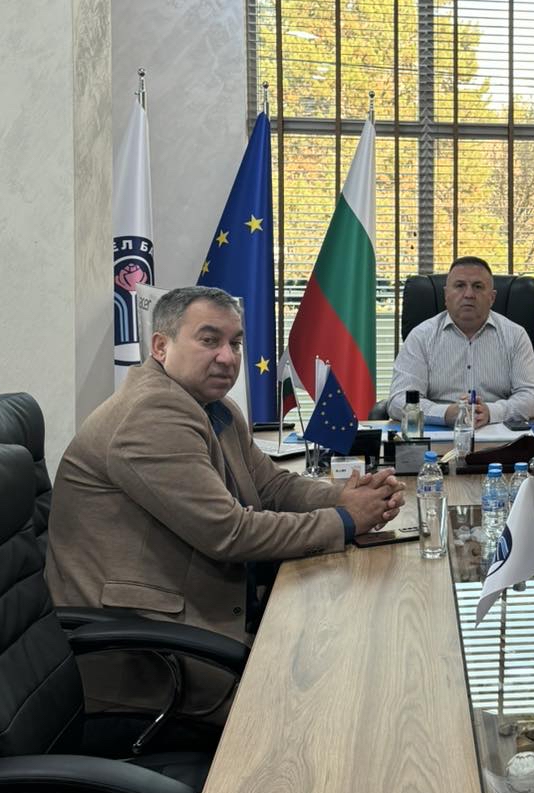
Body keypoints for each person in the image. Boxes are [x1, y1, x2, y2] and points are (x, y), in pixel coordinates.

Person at [47, 286, 405, 705]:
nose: (227, 357)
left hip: (201, 613)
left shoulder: (213, 406)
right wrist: (347, 520)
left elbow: (272, 487)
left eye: (235, 343)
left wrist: (343, 497)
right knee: (331, 695)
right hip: (153, 653)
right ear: (161, 347)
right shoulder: (151, 415)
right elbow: (230, 533)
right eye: (209, 340)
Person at [386, 256, 534, 428]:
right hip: (438, 432)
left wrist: (491, 412)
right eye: (460, 285)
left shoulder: (515, 335)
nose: (469, 294)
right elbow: (398, 400)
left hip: (499, 431)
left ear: (492, 298)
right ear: (446, 295)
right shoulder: (421, 337)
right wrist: (445, 413)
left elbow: (533, 398)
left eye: (478, 287)